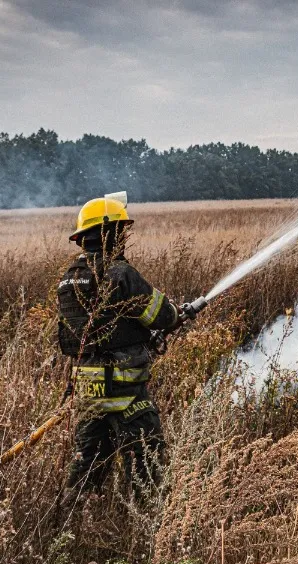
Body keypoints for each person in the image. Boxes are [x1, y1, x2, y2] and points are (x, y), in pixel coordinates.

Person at [57, 191, 180, 500]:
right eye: (121, 230)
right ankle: (148, 530)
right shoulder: (121, 273)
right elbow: (161, 315)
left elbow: (94, 330)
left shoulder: (70, 279)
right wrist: (177, 314)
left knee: (88, 463)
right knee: (147, 463)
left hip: (87, 389)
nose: (125, 237)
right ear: (108, 233)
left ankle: (69, 522)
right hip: (126, 393)